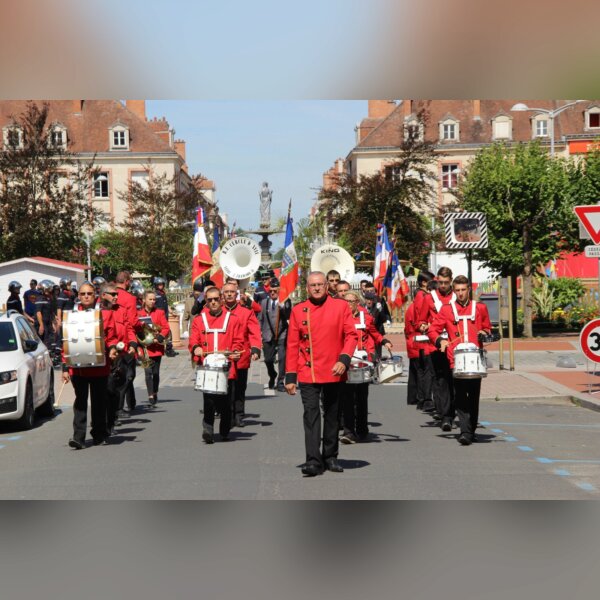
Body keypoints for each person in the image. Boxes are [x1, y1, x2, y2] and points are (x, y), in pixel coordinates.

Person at [285, 271, 358, 477]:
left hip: (335, 369)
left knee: (333, 414)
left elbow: (351, 335)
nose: (316, 288)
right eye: (312, 285)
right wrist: (290, 376)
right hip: (308, 371)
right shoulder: (299, 310)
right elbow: (292, 344)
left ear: (327, 286)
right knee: (311, 414)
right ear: (307, 288)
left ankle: (330, 456)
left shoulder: (341, 306)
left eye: (320, 284)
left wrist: (344, 359)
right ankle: (313, 460)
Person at [428, 275, 492, 445]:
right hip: (455, 359)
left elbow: (487, 328)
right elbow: (433, 330)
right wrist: (440, 340)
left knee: (474, 396)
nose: (461, 293)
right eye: (457, 290)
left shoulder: (479, 308)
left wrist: (484, 334)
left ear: (469, 289)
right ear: (453, 291)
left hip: (475, 359)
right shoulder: (447, 310)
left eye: (463, 290)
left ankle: (471, 429)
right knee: (460, 396)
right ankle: (465, 432)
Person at [62, 282, 120, 449]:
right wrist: (65, 368)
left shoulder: (105, 314)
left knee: (99, 402)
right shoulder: (71, 315)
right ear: (78, 296)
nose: (86, 296)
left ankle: (99, 434)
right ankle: (78, 437)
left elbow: (112, 336)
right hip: (78, 369)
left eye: (89, 293)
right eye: (82, 294)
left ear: (95, 295)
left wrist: (113, 349)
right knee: (80, 402)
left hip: (99, 367)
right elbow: (66, 342)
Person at [189, 286, 244, 443]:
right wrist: (196, 348)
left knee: (226, 402)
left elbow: (238, 341)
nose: (213, 302)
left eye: (216, 299)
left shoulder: (233, 319)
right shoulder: (200, 320)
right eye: (210, 300)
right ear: (206, 301)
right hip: (207, 368)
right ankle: (208, 429)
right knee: (209, 401)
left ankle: (225, 430)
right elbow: (193, 339)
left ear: (221, 299)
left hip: (227, 368)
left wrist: (235, 351)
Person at [341, 291, 392, 444]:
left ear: (358, 302)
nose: (349, 304)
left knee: (361, 397)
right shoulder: (340, 317)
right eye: (346, 301)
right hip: (347, 360)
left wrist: (384, 341)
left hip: (363, 360)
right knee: (347, 398)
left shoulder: (366, 317)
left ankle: (362, 429)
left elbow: (374, 333)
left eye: (352, 301)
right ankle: (349, 432)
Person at [417, 266, 457, 431]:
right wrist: (425, 326)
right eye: (440, 282)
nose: (443, 286)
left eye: (446, 283)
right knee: (440, 381)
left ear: (451, 281)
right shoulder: (429, 298)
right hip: (436, 345)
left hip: (455, 344)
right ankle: (445, 416)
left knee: (455, 382)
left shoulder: (457, 296)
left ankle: (453, 412)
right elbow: (420, 321)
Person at [99, 282, 138, 436]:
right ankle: (103, 419)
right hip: (102, 355)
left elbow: (128, 327)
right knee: (105, 388)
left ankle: (112, 418)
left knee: (118, 386)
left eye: (117, 294)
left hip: (119, 354)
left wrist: (133, 343)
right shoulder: (96, 312)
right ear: (103, 295)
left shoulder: (121, 310)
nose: (116, 296)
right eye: (113, 294)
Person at [222, 282, 262, 426]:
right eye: (226, 292)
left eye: (232, 292)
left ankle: (238, 414)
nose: (229, 294)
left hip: (242, 355)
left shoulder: (246, 311)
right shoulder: (218, 311)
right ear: (223, 294)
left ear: (236, 293)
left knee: (239, 387)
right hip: (223, 355)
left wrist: (256, 348)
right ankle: (227, 413)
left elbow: (254, 331)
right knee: (226, 387)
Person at [136, 289, 170, 407]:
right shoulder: (138, 314)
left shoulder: (159, 312)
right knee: (148, 372)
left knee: (155, 372)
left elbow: (166, 328)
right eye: (150, 299)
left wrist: (159, 337)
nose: (152, 301)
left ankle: (155, 391)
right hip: (145, 348)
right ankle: (150, 394)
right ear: (144, 300)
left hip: (156, 347)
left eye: (154, 299)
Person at [258, 277, 292, 390]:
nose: (272, 293)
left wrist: (282, 307)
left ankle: (281, 381)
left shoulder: (285, 301)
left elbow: (288, 315)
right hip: (268, 335)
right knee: (268, 359)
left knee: (282, 358)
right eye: (270, 291)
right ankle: (272, 375)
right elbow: (260, 319)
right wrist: (259, 333)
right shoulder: (264, 303)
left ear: (279, 291)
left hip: (282, 333)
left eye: (275, 291)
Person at [115, 271, 139, 415]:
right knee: (127, 374)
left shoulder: (104, 296)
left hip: (110, 341)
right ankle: (118, 407)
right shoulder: (130, 298)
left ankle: (131, 402)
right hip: (124, 340)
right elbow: (133, 322)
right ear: (127, 282)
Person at [154, 277, 177, 357]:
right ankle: (166, 350)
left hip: (165, 317)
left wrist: (171, 311)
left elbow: (165, 305)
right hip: (158, 318)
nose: (160, 286)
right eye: (159, 284)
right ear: (156, 285)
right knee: (162, 333)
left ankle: (169, 349)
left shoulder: (163, 293)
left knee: (168, 334)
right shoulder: (155, 295)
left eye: (162, 284)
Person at [35, 280, 57, 349]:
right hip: (42, 323)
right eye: (49, 288)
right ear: (44, 289)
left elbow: (51, 312)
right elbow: (38, 312)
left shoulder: (49, 298)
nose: (51, 290)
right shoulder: (40, 298)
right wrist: (41, 325)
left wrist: (53, 323)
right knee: (44, 342)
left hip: (48, 322)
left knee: (51, 340)